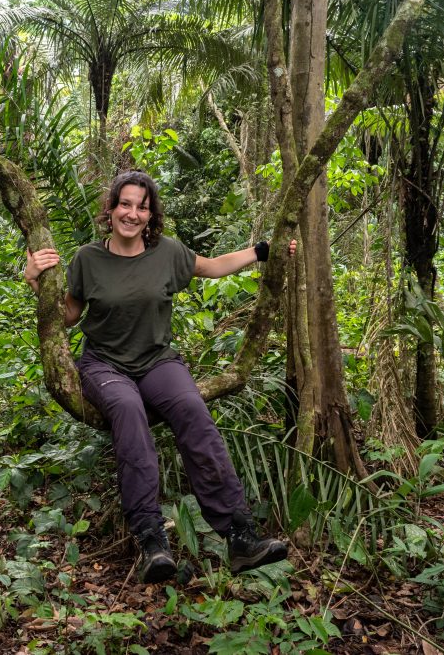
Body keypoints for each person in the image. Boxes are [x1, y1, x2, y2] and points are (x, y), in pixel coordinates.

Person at [24, 170, 295, 583]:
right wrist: (34, 281)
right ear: (111, 209)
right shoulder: (88, 259)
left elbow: (213, 267)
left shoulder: (167, 252)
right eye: (125, 204)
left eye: (142, 207)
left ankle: (239, 536)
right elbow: (69, 315)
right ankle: (151, 540)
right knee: (128, 410)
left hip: (156, 361)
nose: (132, 213)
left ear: (151, 215)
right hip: (104, 365)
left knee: (192, 409)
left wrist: (263, 251)